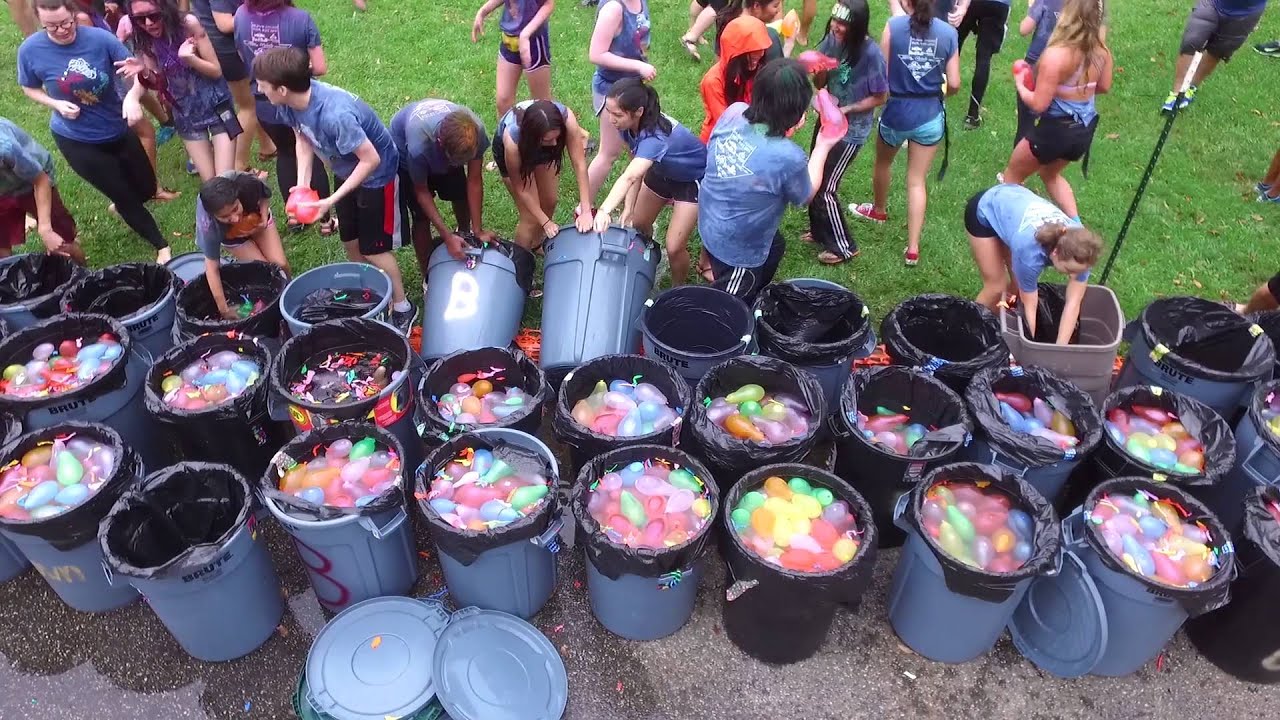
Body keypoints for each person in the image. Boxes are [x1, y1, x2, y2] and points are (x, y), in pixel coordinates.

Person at [252, 47, 417, 331]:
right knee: (350, 241)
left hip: (378, 176)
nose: (258, 88)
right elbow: (303, 139)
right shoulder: (288, 103)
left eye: (262, 85)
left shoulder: (335, 114)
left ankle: (403, 306)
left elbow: (371, 159)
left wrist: (331, 199)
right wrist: (302, 186)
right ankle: (370, 294)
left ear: (281, 88)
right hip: (347, 170)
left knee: (374, 249)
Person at [18, 0, 172, 262]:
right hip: (76, 139)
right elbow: (28, 87)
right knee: (124, 195)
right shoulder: (31, 50)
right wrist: (54, 103)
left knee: (146, 187)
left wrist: (133, 97)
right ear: (40, 23)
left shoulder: (100, 39)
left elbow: (135, 73)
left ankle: (123, 203)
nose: (62, 30)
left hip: (116, 127)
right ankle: (161, 246)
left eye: (66, 23)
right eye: (51, 27)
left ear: (75, 16)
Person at [699, 59, 840, 301]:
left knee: (775, 247)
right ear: (797, 114)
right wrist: (823, 146)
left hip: (711, 218)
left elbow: (754, 151)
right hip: (738, 248)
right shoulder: (788, 157)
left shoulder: (734, 112)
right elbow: (805, 196)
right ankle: (738, 305)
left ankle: (750, 288)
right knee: (728, 305)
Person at [850, 0, 959, 266]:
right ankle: (912, 248)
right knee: (916, 181)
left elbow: (881, 75)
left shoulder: (893, 27)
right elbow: (955, 83)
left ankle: (878, 210)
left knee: (883, 163)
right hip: (931, 116)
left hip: (896, 112)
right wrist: (940, 92)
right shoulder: (949, 33)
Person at [999, 0, 1111, 222]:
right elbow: (1104, 86)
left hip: (1057, 130)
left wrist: (1021, 84)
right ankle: (1076, 227)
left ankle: (1006, 228)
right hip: (1083, 130)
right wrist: (1076, 91)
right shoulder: (1101, 50)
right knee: (1050, 174)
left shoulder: (1056, 55)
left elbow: (1038, 104)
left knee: (1012, 176)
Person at [232, 0, 334, 234]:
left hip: (265, 104)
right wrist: (290, 72)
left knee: (286, 153)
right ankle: (325, 221)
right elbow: (319, 67)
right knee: (312, 155)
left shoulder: (240, 15)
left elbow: (241, 54)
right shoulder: (300, 19)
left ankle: (294, 218)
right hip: (298, 102)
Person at [592, 79, 706, 285]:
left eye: (617, 114)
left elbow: (629, 176)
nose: (611, 119)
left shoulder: (655, 137)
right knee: (639, 223)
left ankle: (677, 288)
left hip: (690, 181)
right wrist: (628, 207)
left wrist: (604, 210)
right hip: (661, 171)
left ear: (638, 111)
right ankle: (645, 261)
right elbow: (634, 167)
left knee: (673, 246)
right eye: (609, 112)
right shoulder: (627, 126)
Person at [965, 183, 1102, 344]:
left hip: (1014, 206)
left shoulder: (1083, 252)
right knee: (996, 287)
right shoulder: (1030, 254)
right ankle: (968, 331)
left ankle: (998, 325)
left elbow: (1073, 303)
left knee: (1017, 287)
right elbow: (1030, 307)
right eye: (1068, 269)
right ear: (1055, 253)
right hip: (986, 208)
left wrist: (1060, 349)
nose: (1073, 275)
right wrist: (1031, 346)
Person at [808, 0, 887, 264]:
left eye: (843, 24)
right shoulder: (831, 39)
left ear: (857, 26)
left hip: (850, 131)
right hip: (827, 120)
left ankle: (845, 246)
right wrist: (818, 72)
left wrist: (847, 109)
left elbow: (879, 96)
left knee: (827, 188)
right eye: (834, 20)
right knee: (815, 178)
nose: (836, 27)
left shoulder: (871, 53)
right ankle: (819, 232)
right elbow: (821, 81)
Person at [123, 0, 238, 181]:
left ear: (166, 10)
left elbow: (216, 71)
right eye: (139, 18)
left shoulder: (188, 25)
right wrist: (144, 72)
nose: (148, 23)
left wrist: (189, 58)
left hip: (217, 105)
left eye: (153, 15)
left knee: (226, 180)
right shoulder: (144, 38)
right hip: (185, 113)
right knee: (211, 185)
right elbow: (160, 80)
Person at [390, 99, 494, 279]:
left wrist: (478, 231)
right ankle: (428, 275)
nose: (459, 165)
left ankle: (464, 234)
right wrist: (446, 236)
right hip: (405, 154)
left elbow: (474, 180)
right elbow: (421, 191)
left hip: (446, 146)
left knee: (460, 195)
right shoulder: (419, 147)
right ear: (441, 145)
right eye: (456, 163)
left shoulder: (476, 132)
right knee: (421, 217)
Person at [493, 99, 594, 252]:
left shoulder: (566, 120)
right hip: (518, 150)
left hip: (538, 145)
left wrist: (586, 210)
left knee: (549, 201)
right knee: (530, 217)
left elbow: (580, 164)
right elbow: (522, 190)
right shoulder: (513, 140)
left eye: (557, 138)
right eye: (549, 140)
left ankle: (535, 244)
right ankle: (518, 263)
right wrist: (546, 223)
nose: (555, 144)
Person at [191, 0, 274, 174]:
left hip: (215, 43)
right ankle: (238, 164)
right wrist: (264, 9)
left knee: (252, 96)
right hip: (228, 47)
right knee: (248, 106)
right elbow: (225, 23)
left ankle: (267, 145)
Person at [195, 171, 288, 318]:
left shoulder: (245, 183)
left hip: (256, 219)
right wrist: (224, 310)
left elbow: (264, 194)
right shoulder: (210, 227)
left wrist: (263, 217)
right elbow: (212, 268)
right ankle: (274, 311)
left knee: (280, 264)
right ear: (214, 216)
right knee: (265, 270)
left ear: (238, 196)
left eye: (235, 209)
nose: (235, 218)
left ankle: (289, 293)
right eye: (225, 217)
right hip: (231, 236)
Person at [586, 0, 653, 200]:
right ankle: (583, 206)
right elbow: (596, 54)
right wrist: (638, 66)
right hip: (612, 91)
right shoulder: (614, 9)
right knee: (609, 153)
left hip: (632, 88)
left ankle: (644, 198)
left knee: (641, 148)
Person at [0, 117, 84, 263]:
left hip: (31, 181)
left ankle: (84, 277)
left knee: (62, 242)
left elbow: (40, 181)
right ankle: (9, 279)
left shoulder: (5, 149)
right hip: (4, 188)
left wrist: (46, 229)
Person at [1162, 0, 1269, 112]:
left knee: (1219, 50)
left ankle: (1191, 88)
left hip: (1247, 12)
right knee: (1192, 40)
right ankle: (1176, 92)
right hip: (1213, 3)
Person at [472, 0, 554, 120]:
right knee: (503, 101)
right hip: (509, 38)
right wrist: (483, 11)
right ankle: (506, 136)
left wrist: (525, 34)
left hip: (533, 41)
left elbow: (548, 4)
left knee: (542, 106)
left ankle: (558, 136)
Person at [700, 15, 772, 143]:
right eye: (753, 50)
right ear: (735, 53)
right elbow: (726, 123)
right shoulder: (713, 81)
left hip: (748, 134)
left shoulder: (754, 71)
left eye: (762, 50)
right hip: (720, 140)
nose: (760, 54)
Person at [943, 0, 1009, 129]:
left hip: (972, 3)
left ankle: (936, 100)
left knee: (953, 46)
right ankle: (972, 116)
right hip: (999, 4)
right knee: (984, 57)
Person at [1014, 0, 1063, 146]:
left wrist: (1032, 7)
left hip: (1036, 63)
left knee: (1025, 125)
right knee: (1053, 124)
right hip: (1065, 68)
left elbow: (1024, 29)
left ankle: (1017, 167)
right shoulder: (1082, 6)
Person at [712, 0, 790, 60]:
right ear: (756, 6)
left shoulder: (727, 20)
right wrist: (789, 45)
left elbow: (720, 62)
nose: (778, 11)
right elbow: (776, 75)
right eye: (775, 6)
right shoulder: (767, 37)